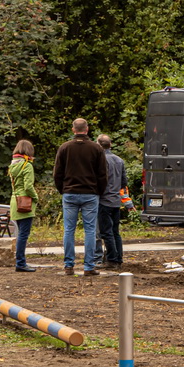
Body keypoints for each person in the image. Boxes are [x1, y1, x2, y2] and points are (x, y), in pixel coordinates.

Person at [52, 117, 108, 276]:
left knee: (69, 229)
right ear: (87, 129)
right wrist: (99, 191)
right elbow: (103, 174)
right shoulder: (96, 149)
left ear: (73, 130)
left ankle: (68, 265)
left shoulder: (64, 148)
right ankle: (89, 266)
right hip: (90, 193)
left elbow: (57, 173)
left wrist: (63, 190)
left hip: (70, 193)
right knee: (90, 230)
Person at [96, 134, 127, 268]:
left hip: (104, 200)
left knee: (106, 232)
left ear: (98, 145)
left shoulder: (101, 160)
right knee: (115, 231)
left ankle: (112, 259)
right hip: (116, 200)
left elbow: (99, 180)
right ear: (110, 145)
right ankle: (118, 258)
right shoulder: (119, 160)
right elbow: (124, 182)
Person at [8, 139, 38, 272]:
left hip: (15, 201)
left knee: (21, 233)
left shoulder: (13, 165)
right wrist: (35, 197)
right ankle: (20, 263)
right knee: (23, 234)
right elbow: (28, 186)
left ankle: (20, 261)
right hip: (25, 202)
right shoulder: (27, 165)